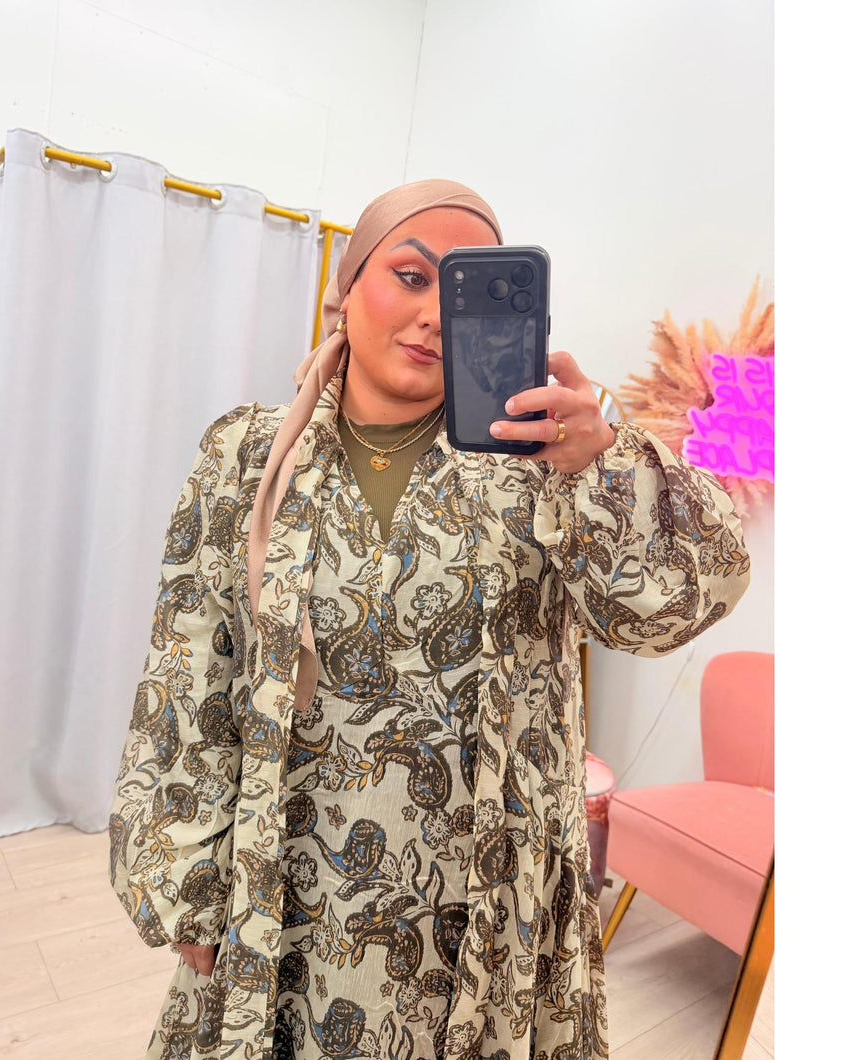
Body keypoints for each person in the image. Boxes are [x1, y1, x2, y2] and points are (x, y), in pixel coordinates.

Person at [109, 180, 751, 1060]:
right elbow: (190, 664)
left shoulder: (540, 460)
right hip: (284, 871)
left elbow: (680, 604)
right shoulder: (248, 453)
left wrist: (603, 464)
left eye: (463, 296)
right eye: (411, 277)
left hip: (484, 900)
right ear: (346, 286)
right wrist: (188, 877)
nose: (433, 318)